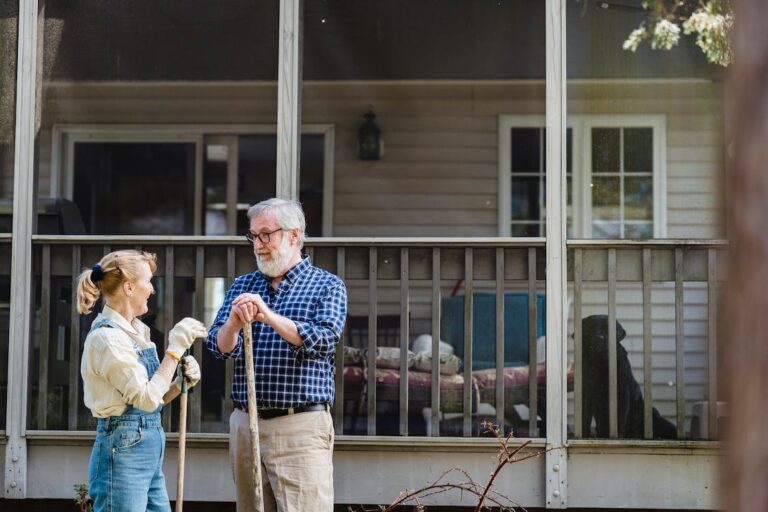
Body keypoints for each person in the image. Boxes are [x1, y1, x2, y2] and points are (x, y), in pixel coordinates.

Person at [206, 198, 347, 512]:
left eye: (266, 235)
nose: (258, 245)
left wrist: (268, 316)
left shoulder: (327, 286)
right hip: (246, 423)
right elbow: (217, 348)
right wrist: (233, 322)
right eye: (253, 237)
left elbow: (323, 341)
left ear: (293, 235)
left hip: (299, 426)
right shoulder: (243, 285)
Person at [77, 250, 208, 512]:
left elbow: (152, 399)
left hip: (146, 450)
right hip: (122, 453)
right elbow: (146, 400)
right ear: (128, 287)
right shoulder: (108, 339)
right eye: (148, 282)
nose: (151, 289)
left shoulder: (136, 332)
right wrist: (174, 351)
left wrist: (179, 384)